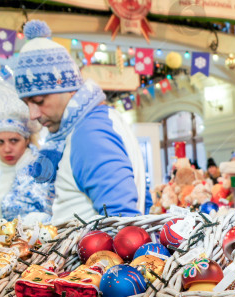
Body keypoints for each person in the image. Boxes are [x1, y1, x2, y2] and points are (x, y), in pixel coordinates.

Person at [14, 20, 149, 224]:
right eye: (27, 104)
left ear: (67, 88)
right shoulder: (97, 120)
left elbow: (121, 222)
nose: (33, 114)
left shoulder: (90, 133)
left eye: (39, 101)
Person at [0, 79, 52, 223]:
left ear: (27, 140)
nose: (7, 149)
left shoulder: (41, 172)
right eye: (0, 142)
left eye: (14, 140)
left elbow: (58, 217)